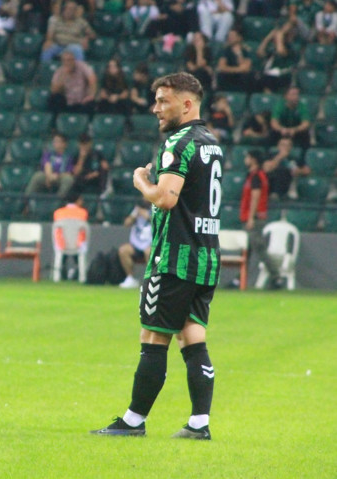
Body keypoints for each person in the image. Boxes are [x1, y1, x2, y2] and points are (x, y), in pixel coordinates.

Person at [91, 72, 221, 440]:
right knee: (192, 336)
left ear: (187, 103)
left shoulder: (178, 144)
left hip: (174, 258)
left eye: (164, 101)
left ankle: (133, 420)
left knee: (153, 337)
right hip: (205, 258)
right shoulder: (211, 143)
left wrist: (141, 183)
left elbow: (166, 197)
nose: (156, 108)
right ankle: (199, 424)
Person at [239, 149, 279, 289]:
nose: (246, 160)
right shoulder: (257, 175)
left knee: (259, 248)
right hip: (255, 217)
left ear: (253, 159)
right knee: (246, 250)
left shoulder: (256, 176)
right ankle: (240, 279)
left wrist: (250, 218)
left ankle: (276, 276)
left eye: (248, 157)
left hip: (254, 219)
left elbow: (255, 197)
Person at [47, 51, 96, 120]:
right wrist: (63, 77)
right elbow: (54, 90)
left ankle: (88, 126)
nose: (68, 62)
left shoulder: (82, 66)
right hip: (67, 102)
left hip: (82, 101)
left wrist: (91, 95)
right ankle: (55, 125)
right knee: (54, 98)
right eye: (65, 60)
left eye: (70, 60)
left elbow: (92, 79)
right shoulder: (59, 71)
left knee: (91, 103)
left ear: (74, 60)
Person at [25, 132, 75, 198]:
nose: (55, 144)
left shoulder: (68, 157)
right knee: (37, 176)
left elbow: (68, 172)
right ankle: (26, 200)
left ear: (64, 144)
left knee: (69, 179)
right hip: (47, 175)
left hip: (60, 177)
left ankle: (58, 200)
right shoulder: (48, 153)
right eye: (54, 141)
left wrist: (57, 175)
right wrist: (49, 177)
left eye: (58, 141)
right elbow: (47, 165)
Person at [118, 200, 152, 289]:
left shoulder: (156, 209)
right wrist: (134, 216)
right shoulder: (136, 210)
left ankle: (150, 279)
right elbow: (126, 223)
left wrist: (147, 216)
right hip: (137, 244)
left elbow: (157, 223)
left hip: (150, 244)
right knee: (123, 250)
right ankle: (130, 278)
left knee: (148, 252)